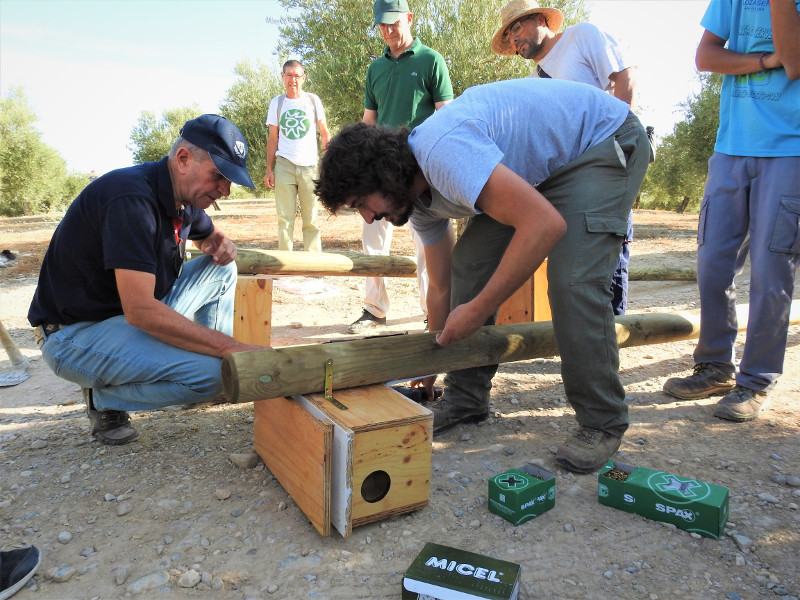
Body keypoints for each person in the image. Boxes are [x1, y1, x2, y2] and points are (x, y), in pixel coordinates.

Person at [315, 78, 650, 473]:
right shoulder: (418, 203)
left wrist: (479, 308)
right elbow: (442, 287)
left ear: (383, 176)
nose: (368, 218)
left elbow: (544, 226)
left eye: (361, 203)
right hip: (544, 169)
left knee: (572, 282)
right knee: (468, 266)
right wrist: (430, 361)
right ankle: (466, 396)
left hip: (601, 141)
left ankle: (601, 421)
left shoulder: (442, 153)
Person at [28, 114, 267, 445]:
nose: (225, 190)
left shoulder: (180, 196)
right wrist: (232, 348)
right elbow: (141, 310)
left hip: (125, 319)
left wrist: (217, 240)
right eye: (218, 176)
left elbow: (208, 235)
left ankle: (206, 366)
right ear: (183, 159)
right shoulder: (130, 200)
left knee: (221, 267)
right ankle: (103, 401)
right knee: (216, 375)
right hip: (74, 336)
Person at [662, 0, 800, 422]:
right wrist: (762, 60)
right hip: (729, 148)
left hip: (790, 150)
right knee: (713, 262)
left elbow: (793, 63)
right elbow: (706, 57)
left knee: (771, 270)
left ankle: (756, 379)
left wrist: (761, 57)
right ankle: (716, 366)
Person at [491, 0, 639, 316]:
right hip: (569, 182)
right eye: (509, 37)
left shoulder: (582, 36)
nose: (515, 40)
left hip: (605, 168)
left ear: (542, 19)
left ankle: (606, 345)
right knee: (575, 268)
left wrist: (617, 148)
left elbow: (625, 79)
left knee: (608, 258)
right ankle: (583, 343)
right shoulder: (534, 82)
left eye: (516, 27)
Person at [348, 0, 453, 334]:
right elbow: (369, 121)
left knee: (427, 243)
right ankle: (374, 309)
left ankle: (430, 312)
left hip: (420, 173)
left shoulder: (431, 60)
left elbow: (446, 114)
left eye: (394, 23)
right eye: (382, 25)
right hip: (378, 175)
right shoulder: (374, 69)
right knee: (372, 242)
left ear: (409, 18)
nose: (388, 30)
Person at [264, 60, 330, 252]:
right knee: (285, 219)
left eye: (297, 76)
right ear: (282, 77)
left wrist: (328, 164)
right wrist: (269, 169)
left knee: (311, 219)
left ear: (304, 78)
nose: (293, 80)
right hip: (284, 165)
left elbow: (324, 132)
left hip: (309, 166)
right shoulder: (277, 103)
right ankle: (286, 266)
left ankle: (313, 265)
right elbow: (273, 138)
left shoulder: (313, 100)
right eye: (289, 75)